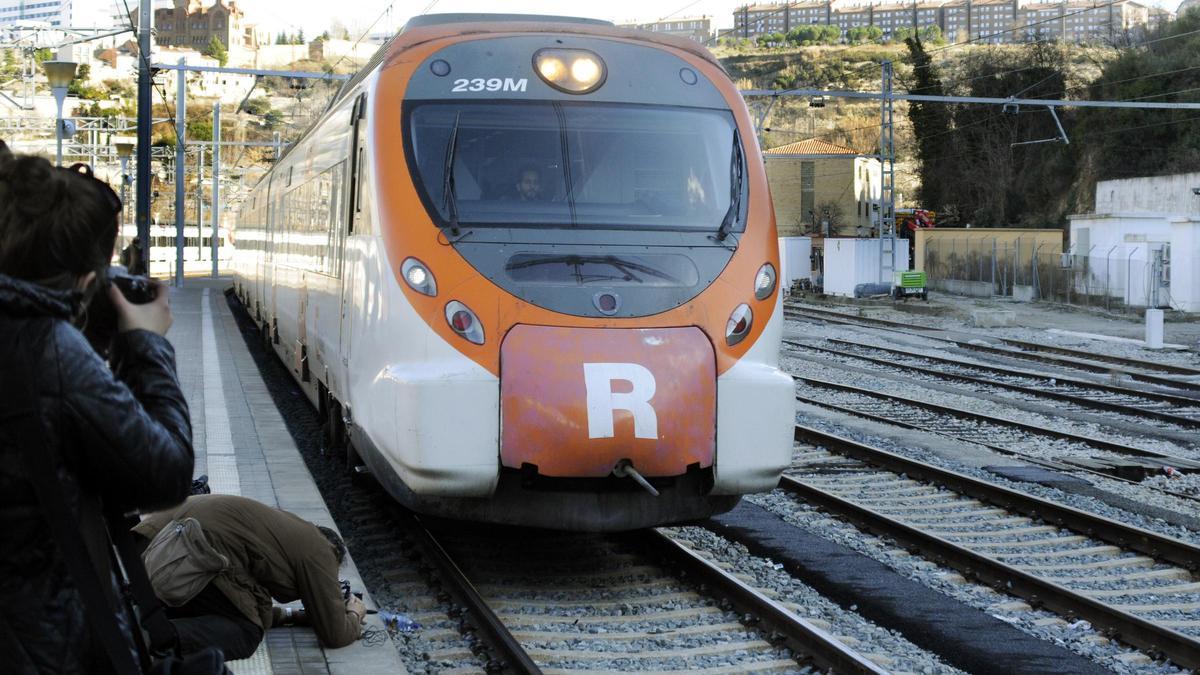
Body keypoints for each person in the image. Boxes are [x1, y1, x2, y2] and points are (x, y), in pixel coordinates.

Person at [0, 141, 195, 672]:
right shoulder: (45, 347)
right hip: (43, 643)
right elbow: (166, 473)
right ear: (85, 277)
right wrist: (148, 345)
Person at [133, 494, 366, 660]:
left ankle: (145, 621)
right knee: (247, 632)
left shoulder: (285, 532)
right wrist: (355, 613)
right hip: (189, 551)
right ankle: (152, 637)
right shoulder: (320, 550)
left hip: (153, 543)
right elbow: (336, 635)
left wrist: (290, 615)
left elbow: (243, 601)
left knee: (223, 612)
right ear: (334, 553)